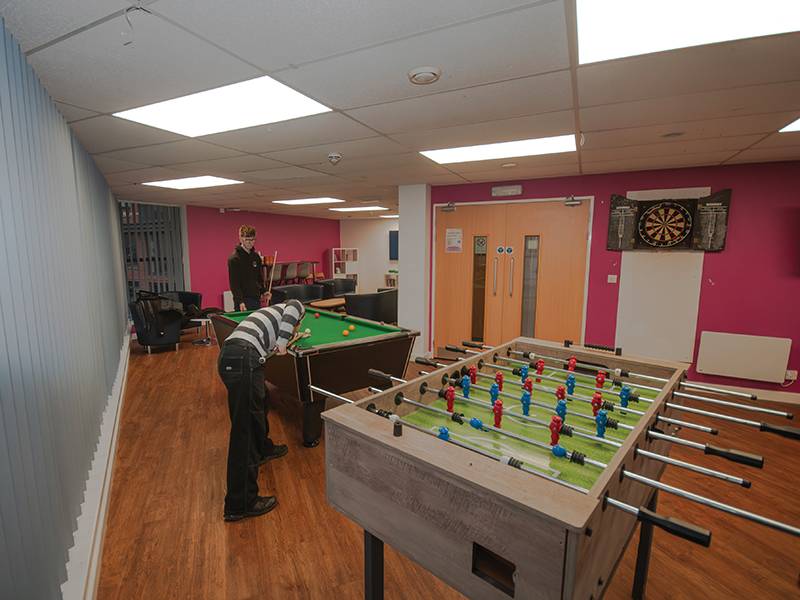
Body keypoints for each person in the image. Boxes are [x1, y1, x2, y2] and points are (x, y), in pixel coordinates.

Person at [217, 299, 306, 521]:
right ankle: (240, 503)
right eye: (297, 325)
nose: (296, 327)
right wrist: (284, 341)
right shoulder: (293, 306)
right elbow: (294, 308)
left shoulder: (268, 315)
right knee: (244, 432)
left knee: (261, 402)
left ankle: (263, 449)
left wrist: (280, 341)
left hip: (235, 355)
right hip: (243, 358)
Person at [228, 225, 269, 311]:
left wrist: (264, 291)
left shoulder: (256, 257)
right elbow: (234, 284)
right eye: (247, 240)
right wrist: (240, 301)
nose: (250, 242)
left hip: (255, 299)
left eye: (252, 239)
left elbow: (258, 277)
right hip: (243, 301)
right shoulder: (234, 259)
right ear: (241, 238)